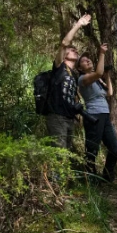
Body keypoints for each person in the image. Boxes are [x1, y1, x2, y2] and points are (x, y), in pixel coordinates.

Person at [46, 14, 92, 151]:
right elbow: (64, 43)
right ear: (65, 54)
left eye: (76, 50)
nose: (75, 51)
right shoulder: (59, 67)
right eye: (72, 50)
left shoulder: (74, 75)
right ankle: (55, 174)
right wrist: (78, 25)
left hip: (69, 118)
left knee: (65, 153)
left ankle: (62, 174)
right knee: (59, 153)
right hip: (56, 116)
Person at [76, 43, 117, 183]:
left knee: (115, 147)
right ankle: (90, 179)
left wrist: (107, 76)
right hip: (94, 115)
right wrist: (101, 53)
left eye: (88, 59)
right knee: (92, 149)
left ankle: (107, 175)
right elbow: (98, 72)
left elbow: (109, 93)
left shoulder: (97, 79)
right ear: (79, 68)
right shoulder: (83, 79)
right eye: (84, 60)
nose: (88, 60)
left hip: (105, 115)